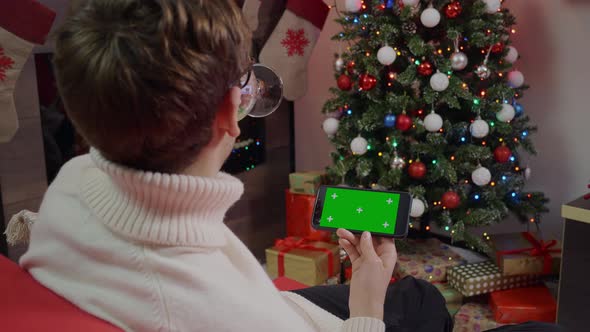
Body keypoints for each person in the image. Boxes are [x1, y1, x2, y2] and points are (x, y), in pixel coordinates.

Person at [19, 1, 561, 331]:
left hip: (270, 309)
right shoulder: (193, 308)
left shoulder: (77, 177)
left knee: (415, 298)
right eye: (246, 84)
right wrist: (366, 298)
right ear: (233, 116)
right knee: (416, 304)